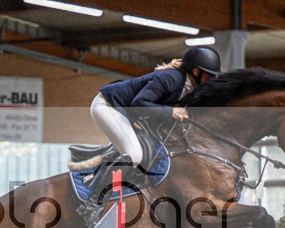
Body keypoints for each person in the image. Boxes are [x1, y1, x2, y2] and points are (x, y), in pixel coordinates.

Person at [80, 46, 222, 219]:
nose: (212, 79)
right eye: (210, 75)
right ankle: (93, 203)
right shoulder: (169, 79)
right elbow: (138, 103)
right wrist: (171, 112)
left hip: (127, 112)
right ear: (196, 71)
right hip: (108, 106)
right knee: (134, 155)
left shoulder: (189, 89)